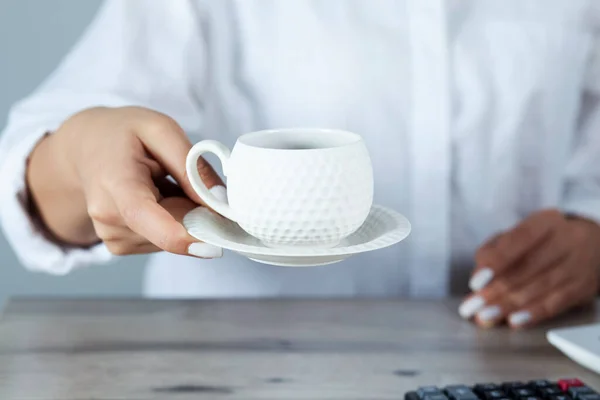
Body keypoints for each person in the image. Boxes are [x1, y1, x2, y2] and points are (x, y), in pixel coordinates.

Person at [1, 0, 600, 329]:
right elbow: (40, 189)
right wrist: (83, 154)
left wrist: (595, 233)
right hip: (226, 365)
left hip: (511, 353)